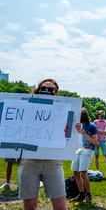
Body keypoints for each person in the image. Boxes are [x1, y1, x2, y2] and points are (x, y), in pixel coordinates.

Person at [17, 78, 67, 210]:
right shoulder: (26, 108)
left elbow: (68, 134)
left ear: (56, 93)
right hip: (30, 161)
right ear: (38, 90)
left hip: (53, 162)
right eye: (43, 88)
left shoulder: (63, 111)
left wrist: (76, 128)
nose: (46, 91)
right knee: (30, 207)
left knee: (61, 207)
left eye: (51, 90)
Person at [70, 108, 100, 204]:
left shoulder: (92, 126)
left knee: (83, 173)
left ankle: (88, 195)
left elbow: (96, 142)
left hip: (87, 151)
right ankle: (81, 193)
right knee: (76, 173)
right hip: (79, 149)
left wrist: (85, 134)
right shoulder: (79, 125)